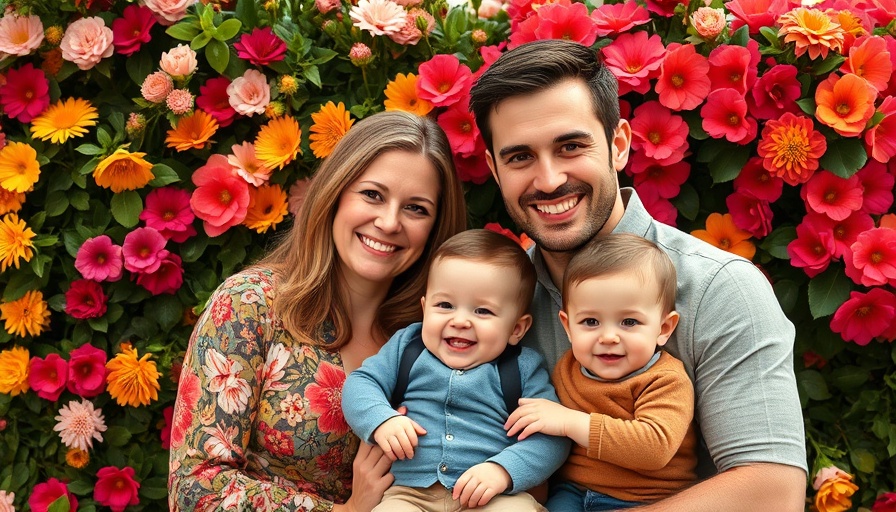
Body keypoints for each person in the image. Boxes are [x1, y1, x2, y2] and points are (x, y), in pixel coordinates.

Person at [468, 39, 807, 511]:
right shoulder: (494, 300)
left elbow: (772, 494)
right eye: (519, 157)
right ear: (494, 169)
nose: (547, 180)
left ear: (619, 145)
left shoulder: (719, 287)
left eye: (570, 146)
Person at [167, 111, 468, 512]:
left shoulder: (433, 332)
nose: (389, 221)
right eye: (373, 195)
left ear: (435, 227)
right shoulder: (251, 305)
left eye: (416, 209)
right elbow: (194, 488)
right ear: (336, 193)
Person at [342, 229, 570, 512]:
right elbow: (361, 383)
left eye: (483, 311)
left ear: (516, 329)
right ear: (425, 309)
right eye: (445, 305)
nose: (460, 320)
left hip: (490, 498)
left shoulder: (521, 368)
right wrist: (381, 421)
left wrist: (503, 471)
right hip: (409, 495)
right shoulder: (408, 348)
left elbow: (551, 437)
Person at [506, 233, 698, 511]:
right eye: (591, 321)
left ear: (663, 329)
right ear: (568, 326)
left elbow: (654, 448)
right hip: (572, 491)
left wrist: (569, 422)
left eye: (629, 321)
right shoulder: (567, 368)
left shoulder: (665, 379)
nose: (608, 337)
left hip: (646, 498)